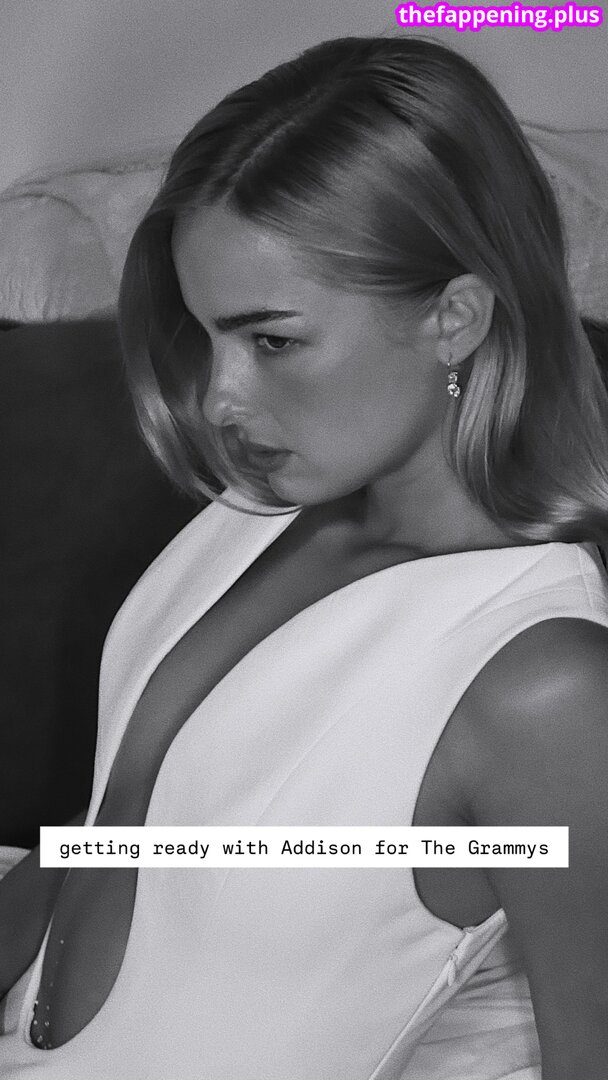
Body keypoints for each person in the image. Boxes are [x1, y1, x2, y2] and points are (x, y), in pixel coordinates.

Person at [2, 34, 608, 1080]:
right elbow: (106, 829)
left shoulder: (542, 686)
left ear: (454, 318)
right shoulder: (254, 512)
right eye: (207, 336)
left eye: (271, 340)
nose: (218, 398)